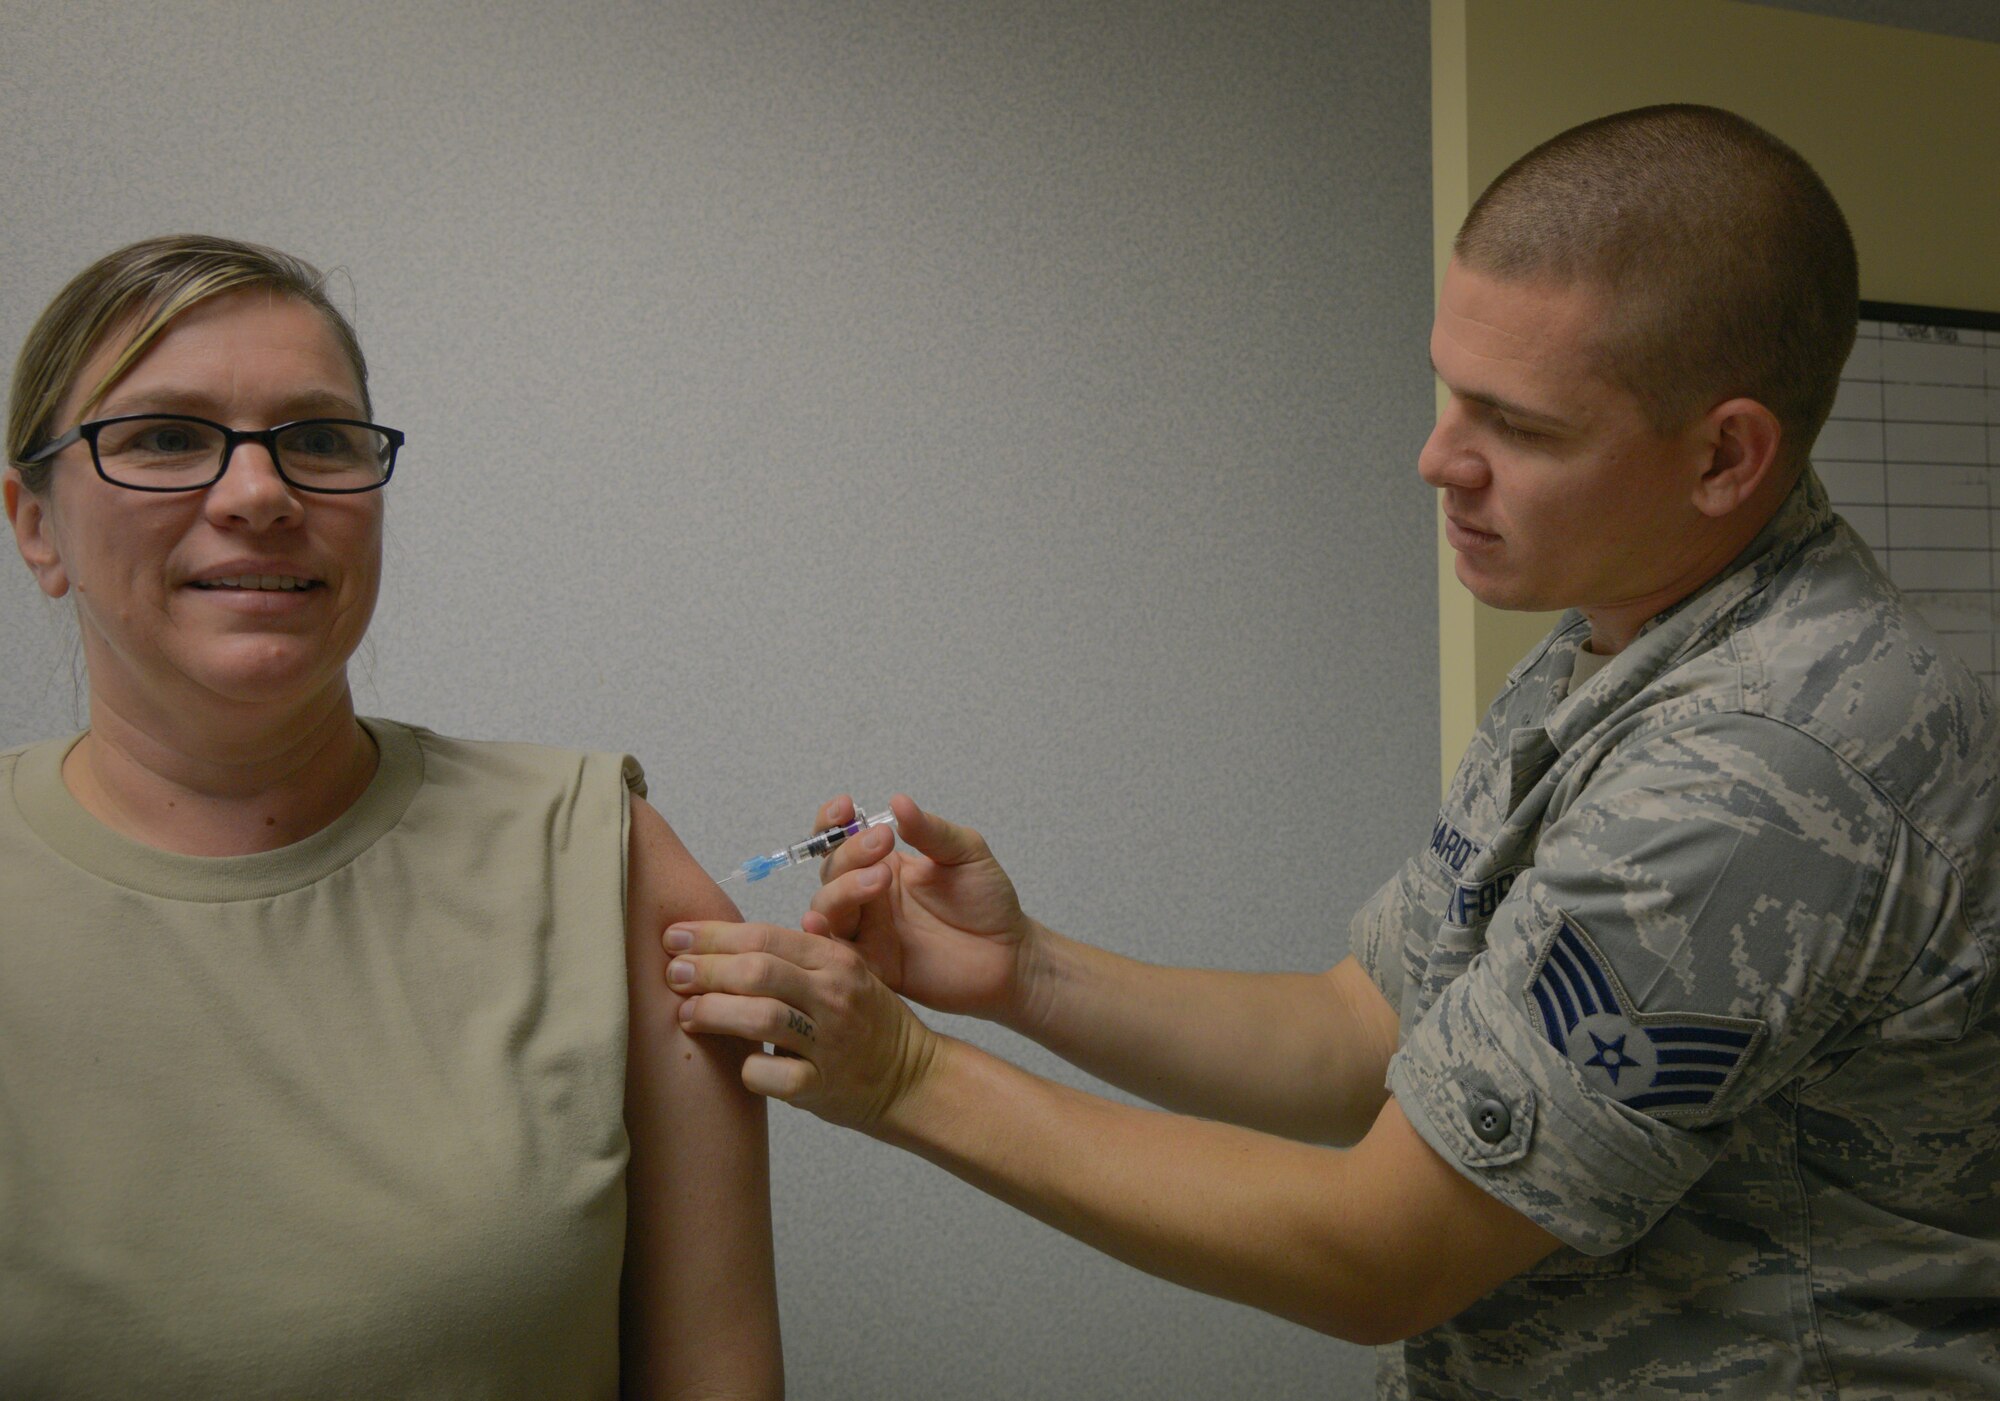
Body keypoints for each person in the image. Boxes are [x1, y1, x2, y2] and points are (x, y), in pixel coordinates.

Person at [663, 105, 2000, 1397]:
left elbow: (1380, 1254)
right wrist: (1023, 973)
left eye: (1519, 428)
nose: (1436, 460)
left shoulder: (1768, 767)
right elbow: (1365, 1025)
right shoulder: (1628, 633)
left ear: (1724, 456)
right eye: (1448, 397)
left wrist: (903, 1074)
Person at [0, 235, 782, 1399]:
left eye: (318, 439)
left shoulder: (603, 867)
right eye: (164, 437)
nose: (260, 494)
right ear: (34, 525)